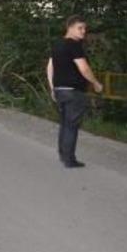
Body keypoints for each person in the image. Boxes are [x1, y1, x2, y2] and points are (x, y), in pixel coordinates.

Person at [46, 15, 104, 169]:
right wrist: (96, 83)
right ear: (69, 27)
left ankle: (63, 155)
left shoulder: (57, 45)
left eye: (85, 28)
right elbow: (84, 68)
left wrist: (53, 87)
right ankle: (69, 160)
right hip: (73, 92)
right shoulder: (74, 45)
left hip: (60, 90)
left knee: (65, 124)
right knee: (71, 126)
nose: (83, 31)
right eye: (80, 28)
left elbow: (50, 67)